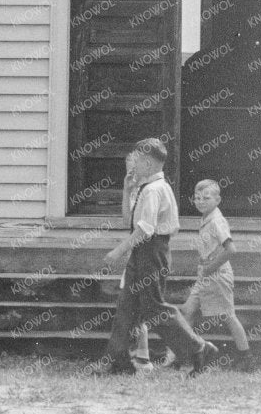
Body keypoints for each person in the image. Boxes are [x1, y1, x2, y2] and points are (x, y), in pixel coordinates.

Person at [99, 138, 211, 376]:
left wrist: (118, 251)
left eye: (137, 161)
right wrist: (127, 189)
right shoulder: (144, 187)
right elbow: (127, 222)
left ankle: (197, 348)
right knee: (126, 307)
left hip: (152, 252)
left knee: (154, 309)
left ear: (149, 164)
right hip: (142, 252)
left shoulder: (154, 190)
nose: (133, 167)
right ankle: (118, 360)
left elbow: (144, 230)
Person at [177, 178, 252, 371]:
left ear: (217, 200)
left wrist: (210, 268)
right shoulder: (205, 219)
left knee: (227, 315)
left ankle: (246, 356)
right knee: (187, 311)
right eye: (197, 198)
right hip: (205, 275)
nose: (201, 202)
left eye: (206, 198)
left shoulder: (217, 221)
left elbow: (230, 249)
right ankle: (181, 353)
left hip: (218, 274)